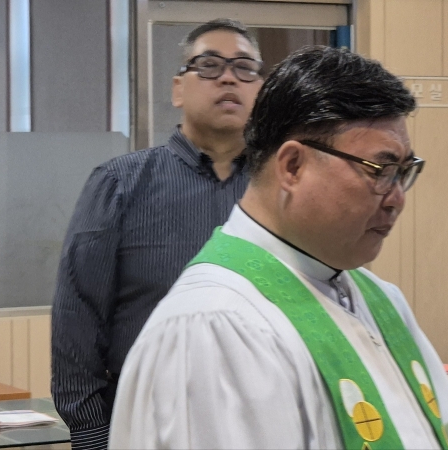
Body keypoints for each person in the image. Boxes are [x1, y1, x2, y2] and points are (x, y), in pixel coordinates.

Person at [108, 46, 448, 449]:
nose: (397, 198)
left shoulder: (381, 300)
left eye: (404, 172)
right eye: (381, 171)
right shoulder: (216, 325)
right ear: (293, 166)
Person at [50, 19, 263, 450]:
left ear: (261, 90)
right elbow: (78, 317)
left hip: (263, 418)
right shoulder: (120, 184)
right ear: (178, 89)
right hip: (146, 420)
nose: (228, 78)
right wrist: (92, 435)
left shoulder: (282, 187)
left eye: (244, 67)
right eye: (209, 65)